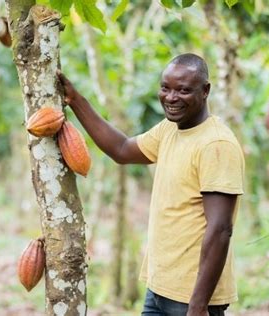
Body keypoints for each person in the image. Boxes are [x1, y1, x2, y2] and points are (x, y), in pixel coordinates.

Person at [57, 53, 245, 316]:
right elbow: (122, 149)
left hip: (191, 298)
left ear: (205, 91)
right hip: (159, 289)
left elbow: (220, 229)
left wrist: (198, 305)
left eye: (183, 90)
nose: (171, 97)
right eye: (165, 88)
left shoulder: (216, 145)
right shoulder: (170, 129)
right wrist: (75, 101)